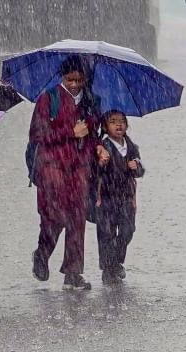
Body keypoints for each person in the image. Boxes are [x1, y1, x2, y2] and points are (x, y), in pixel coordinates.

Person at [29, 57, 98, 291]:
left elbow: (92, 133)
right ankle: (42, 254)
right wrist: (70, 131)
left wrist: (96, 147)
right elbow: (39, 134)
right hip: (52, 168)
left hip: (79, 168)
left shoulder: (90, 101)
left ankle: (73, 272)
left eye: (79, 79)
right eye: (70, 79)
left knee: (77, 220)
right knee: (54, 216)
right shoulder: (49, 99)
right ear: (62, 77)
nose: (75, 84)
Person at [92, 110, 145, 286]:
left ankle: (115, 261)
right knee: (106, 233)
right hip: (107, 196)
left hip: (127, 197)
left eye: (122, 121)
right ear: (106, 127)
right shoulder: (103, 146)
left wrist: (136, 166)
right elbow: (93, 171)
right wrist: (100, 163)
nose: (118, 125)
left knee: (127, 230)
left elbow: (140, 170)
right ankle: (108, 268)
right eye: (113, 122)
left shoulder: (131, 146)